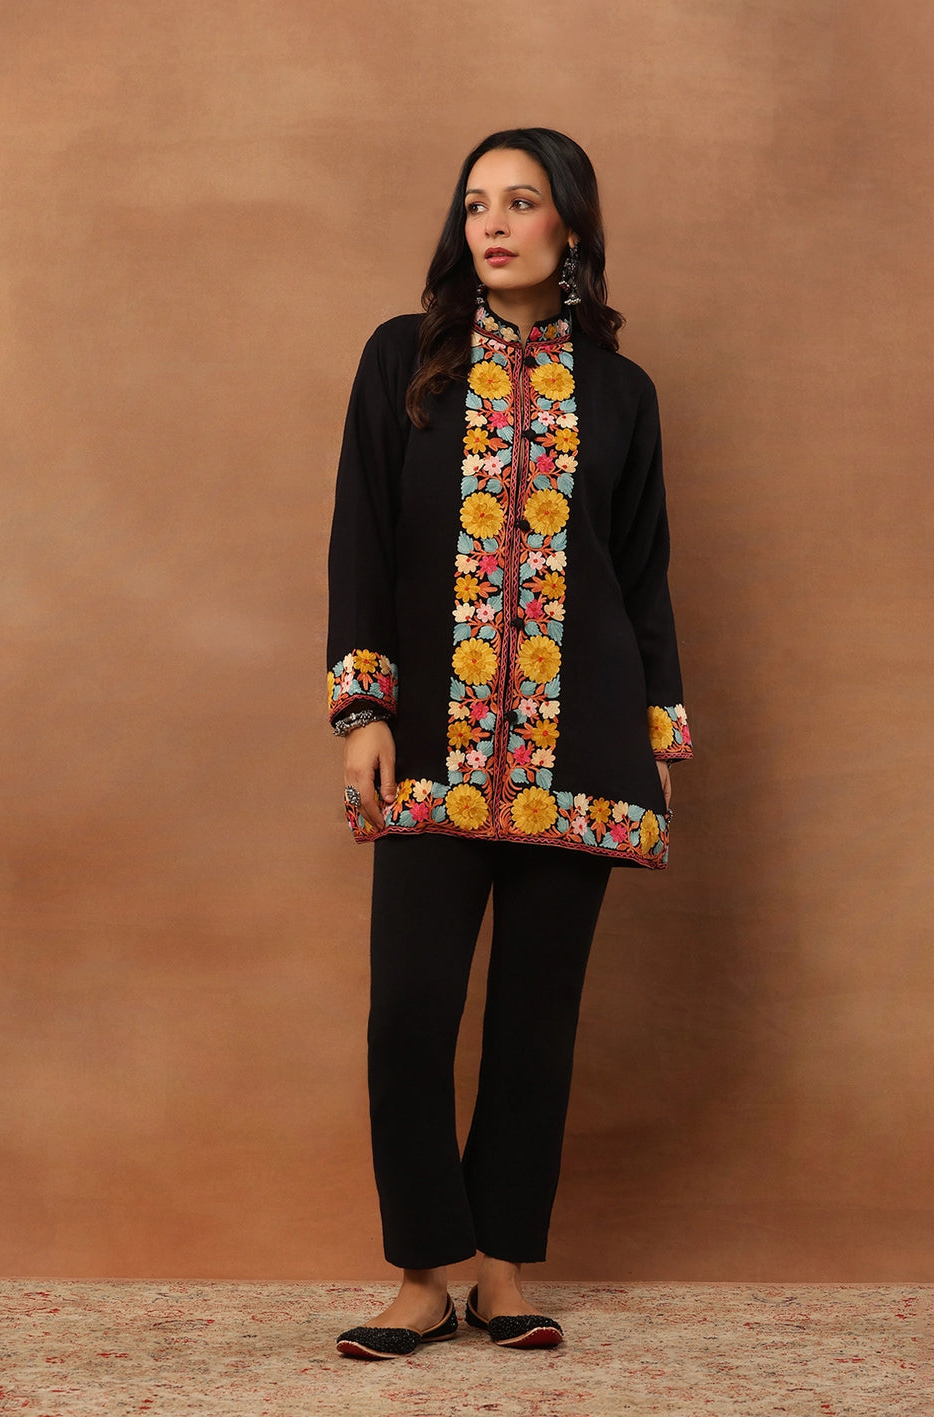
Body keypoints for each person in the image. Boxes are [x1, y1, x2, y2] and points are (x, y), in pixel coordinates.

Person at [326, 128, 692, 1360]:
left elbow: (640, 574)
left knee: (536, 1022)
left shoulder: (622, 393)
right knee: (409, 1014)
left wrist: (654, 730)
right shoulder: (404, 358)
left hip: (577, 747)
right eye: (475, 202)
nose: (491, 222)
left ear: (568, 228)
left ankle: (502, 1271)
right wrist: (363, 708)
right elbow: (362, 538)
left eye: (520, 201)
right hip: (430, 739)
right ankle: (421, 1274)